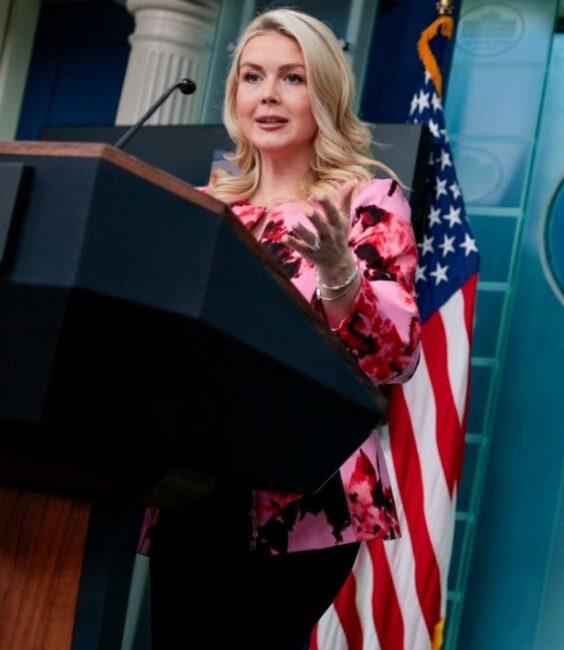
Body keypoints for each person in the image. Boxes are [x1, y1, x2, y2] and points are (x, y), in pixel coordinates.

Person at [145, 9, 421, 648]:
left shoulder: (367, 200)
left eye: (292, 78)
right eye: (252, 77)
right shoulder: (199, 205)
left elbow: (394, 359)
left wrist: (339, 275)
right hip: (193, 478)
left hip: (304, 491)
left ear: (323, 95)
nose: (267, 95)